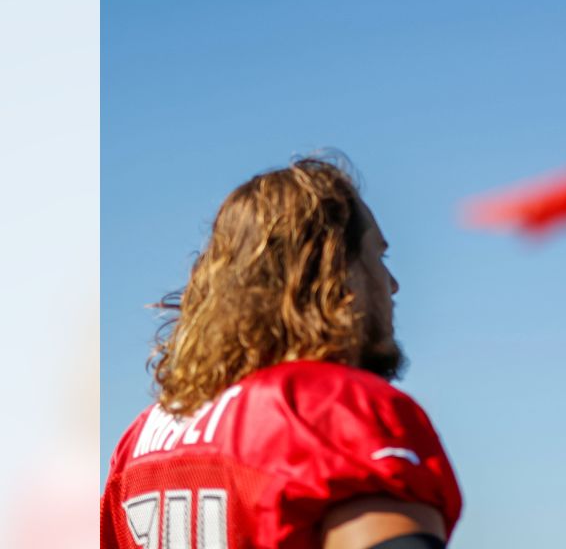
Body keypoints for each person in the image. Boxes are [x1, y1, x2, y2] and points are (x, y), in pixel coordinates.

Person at [101, 158, 462, 549]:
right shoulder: (330, 409)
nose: (391, 285)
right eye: (378, 257)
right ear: (329, 270)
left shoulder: (138, 441)